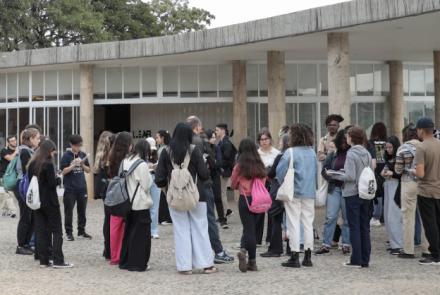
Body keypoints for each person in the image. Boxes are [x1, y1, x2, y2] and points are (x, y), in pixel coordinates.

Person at [155, 122, 217, 274]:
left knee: (181, 230)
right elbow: (204, 174)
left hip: (176, 197)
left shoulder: (165, 152)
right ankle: (206, 264)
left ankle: (184, 266)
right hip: (197, 196)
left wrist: (168, 187)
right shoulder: (194, 150)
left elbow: (159, 178)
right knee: (200, 228)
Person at [332, 126, 373, 268]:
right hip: (365, 193)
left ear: (352, 138)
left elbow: (350, 176)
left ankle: (355, 260)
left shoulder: (351, 153)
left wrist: (335, 174)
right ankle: (365, 259)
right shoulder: (367, 153)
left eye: (348, 135)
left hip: (352, 193)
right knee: (364, 227)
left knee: (354, 227)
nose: (346, 138)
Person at [28, 139, 73, 268]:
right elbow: (52, 184)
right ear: (49, 151)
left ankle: (44, 260)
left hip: (37, 202)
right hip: (50, 202)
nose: (53, 154)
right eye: (53, 151)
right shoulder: (48, 164)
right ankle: (58, 260)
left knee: (42, 231)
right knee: (57, 230)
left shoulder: (32, 164)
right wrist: (59, 178)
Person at [277, 124, 317, 268]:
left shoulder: (290, 152)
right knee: (308, 223)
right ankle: (308, 256)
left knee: (293, 223)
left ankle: (294, 255)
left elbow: (279, 172)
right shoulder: (312, 152)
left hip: (294, 191)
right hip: (309, 192)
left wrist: (284, 183)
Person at [231, 138, 267, 272]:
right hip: (259, 200)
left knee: (248, 229)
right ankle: (252, 262)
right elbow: (264, 179)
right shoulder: (259, 164)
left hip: (245, 199)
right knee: (253, 231)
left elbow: (233, 183)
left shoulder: (239, 166)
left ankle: (244, 252)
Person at [395, 124, 430, 259]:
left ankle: (408, 250)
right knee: (426, 217)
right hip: (423, 183)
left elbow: (398, 170)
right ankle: (427, 249)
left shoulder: (402, 148)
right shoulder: (424, 147)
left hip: (408, 183)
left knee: (408, 217)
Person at [315, 129, 351, 255]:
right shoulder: (333, 154)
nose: (343, 143)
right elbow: (324, 170)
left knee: (347, 218)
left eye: (345, 141)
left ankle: (346, 244)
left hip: (347, 188)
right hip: (334, 187)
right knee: (331, 217)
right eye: (341, 141)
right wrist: (331, 176)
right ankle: (326, 243)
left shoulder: (351, 154)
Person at [119, 140, 153, 272]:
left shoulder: (125, 161)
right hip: (139, 203)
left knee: (128, 233)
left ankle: (125, 261)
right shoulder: (142, 164)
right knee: (140, 236)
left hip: (127, 201)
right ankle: (138, 263)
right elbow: (146, 185)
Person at [413, 117, 440, 265]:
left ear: (421, 130)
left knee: (430, 224)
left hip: (426, 190)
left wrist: (412, 171)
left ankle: (435, 254)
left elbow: (421, 173)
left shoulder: (421, 147)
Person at [260, 132, 290, 258]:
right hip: (293, 191)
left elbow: (272, 174)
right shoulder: (299, 155)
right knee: (291, 220)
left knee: (275, 219)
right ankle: (291, 247)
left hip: (279, 190)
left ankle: (276, 248)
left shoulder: (281, 156)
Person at [107, 132, 133, 265]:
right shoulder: (127, 160)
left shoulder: (112, 156)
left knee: (114, 226)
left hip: (113, 194)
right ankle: (122, 253)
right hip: (125, 194)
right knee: (124, 226)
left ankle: (114, 255)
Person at [61, 135, 91, 241]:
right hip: (70, 188)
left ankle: (81, 232)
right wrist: (73, 165)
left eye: (80, 145)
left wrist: (82, 164)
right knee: (69, 211)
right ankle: (69, 232)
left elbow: (88, 170)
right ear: (71, 145)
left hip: (82, 187)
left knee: (82, 210)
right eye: (76, 146)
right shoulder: (66, 156)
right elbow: (63, 171)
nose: (78, 148)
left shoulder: (82, 154)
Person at [15, 127, 40, 255]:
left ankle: (26, 243)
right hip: (24, 186)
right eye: (37, 138)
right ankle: (21, 245)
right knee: (25, 217)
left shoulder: (29, 151)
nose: (39, 140)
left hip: (27, 185)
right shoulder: (25, 152)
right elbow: (27, 172)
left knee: (30, 217)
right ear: (30, 139)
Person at [93, 131, 114, 260]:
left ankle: (107, 249)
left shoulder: (99, 156)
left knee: (107, 219)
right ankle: (112, 248)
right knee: (113, 219)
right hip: (112, 190)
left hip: (105, 191)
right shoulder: (111, 157)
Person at [257, 128, 280, 246]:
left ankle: (270, 238)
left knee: (272, 211)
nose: (264, 141)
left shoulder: (276, 153)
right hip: (260, 184)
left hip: (272, 183)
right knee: (259, 210)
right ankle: (257, 239)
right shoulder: (257, 153)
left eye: (266, 139)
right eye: (261, 139)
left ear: (270, 139)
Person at [381, 136, 403, 255]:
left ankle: (398, 244)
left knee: (394, 215)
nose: (388, 150)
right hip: (388, 186)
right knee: (388, 215)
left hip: (395, 186)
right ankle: (394, 242)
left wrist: (392, 173)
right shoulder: (388, 158)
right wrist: (385, 172)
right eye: (387, 147)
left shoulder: (399, 157)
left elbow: (401, 173)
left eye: (390, 147)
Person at [216, 123, 236, 226]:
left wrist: (218, 164)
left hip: (224, 171)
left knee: (222, 193)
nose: (216, 132)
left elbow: (227, 158)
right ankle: (226, 211)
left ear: (223, 130)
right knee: (222, 192)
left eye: (217, 130)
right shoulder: (223, 141)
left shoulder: (226, 143)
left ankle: (223, 214)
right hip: (223, 170)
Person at [368, 122, 388, 226]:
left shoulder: (371, 143)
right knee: (384, 196)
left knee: (374, 196)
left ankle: (375, 216)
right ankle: (383, 216)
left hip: (374, 172)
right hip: (384, 172)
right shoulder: (386, 142)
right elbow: (382, 160)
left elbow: (375, 161)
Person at [155, 130, 172, 225]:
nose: (156, 139)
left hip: (164, 175)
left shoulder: (163, 149)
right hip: (168, 175)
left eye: (157, 137)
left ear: (162, 138)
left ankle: (165, 217)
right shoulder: (168, 148)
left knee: (164, 196)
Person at [146, 137, 160, 239]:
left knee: (155, 206)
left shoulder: (156, 155)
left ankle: (154, 230)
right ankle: (146, 229)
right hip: (146, 179)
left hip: (155, 179)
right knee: (146, 205)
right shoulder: (141, 156)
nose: (152, 150)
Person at [0, 135, 18, 218]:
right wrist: (16, 152)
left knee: (6, 194)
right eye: (12, 141)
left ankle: (5, 211)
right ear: (8, 142)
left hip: (14, 175)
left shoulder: (19, 150)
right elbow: (10, 158)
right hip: (5, 175)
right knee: (7, 193)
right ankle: (13, 211)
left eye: (14, 140)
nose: (14, 142)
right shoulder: (4, 150)